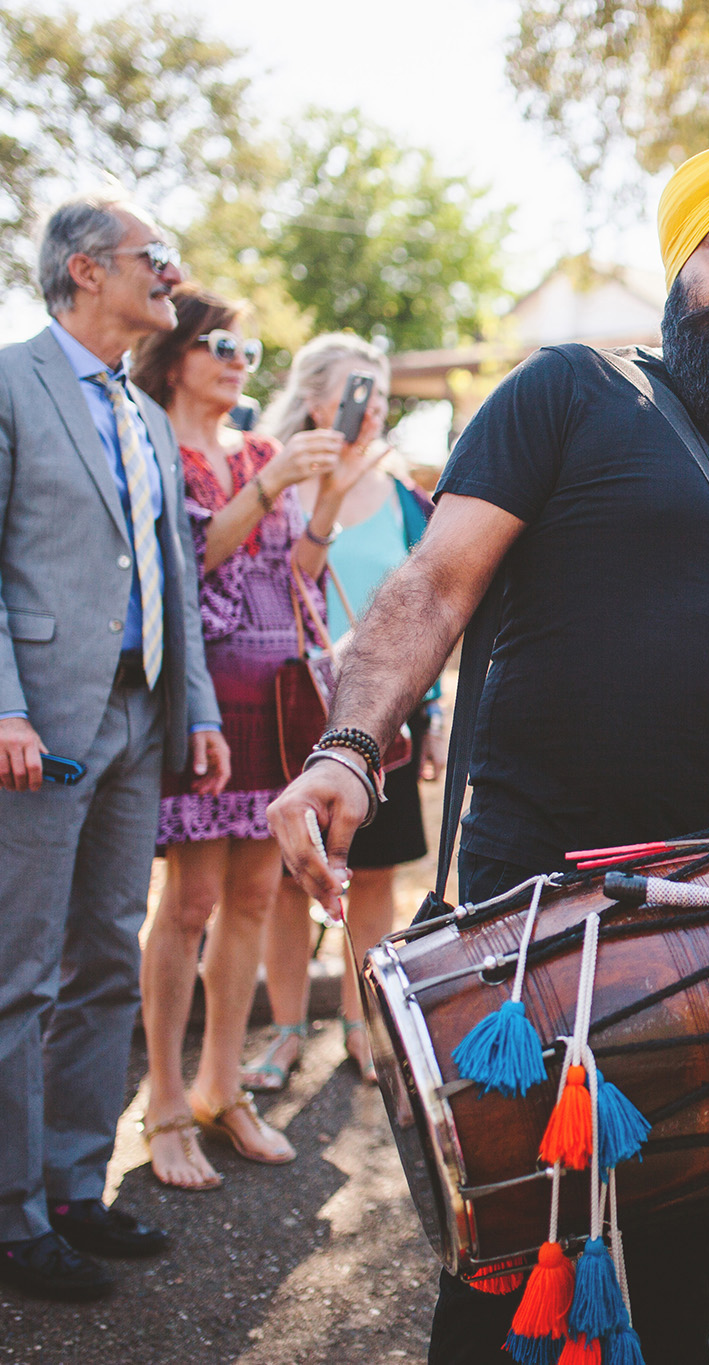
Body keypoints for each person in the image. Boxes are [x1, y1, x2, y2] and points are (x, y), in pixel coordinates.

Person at [267, 140, 709, 1365]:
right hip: (530, 909)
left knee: (678, 1272)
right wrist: (348, 748)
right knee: (503, 1262)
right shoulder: (569, 391)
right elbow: (432, 585)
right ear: (679, 271)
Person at [0, 194, 230, 1300]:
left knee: (105, 958)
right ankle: (6, 1222)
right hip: (30, 724)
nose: (173, 274)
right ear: (88, 269)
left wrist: (198, 712)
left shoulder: (142, 412)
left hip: (139, 719)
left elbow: (174, 578)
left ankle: (70, 1190)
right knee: (15, 972)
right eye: (157, 255)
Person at [129, 296, 384, 1190]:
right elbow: (187, 563)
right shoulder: (152, 445)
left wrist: (330, 491)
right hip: (204, 702)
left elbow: (297, 575)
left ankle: (221, 1086)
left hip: (275, 701)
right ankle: (164, 1100)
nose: (239, 356)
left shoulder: (256, 451)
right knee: (190, 902)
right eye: (218, 342)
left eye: (246, 345)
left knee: (248, 897)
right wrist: (273, 485)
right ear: (171, 354)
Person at [243, 337, 440, 1092]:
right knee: (286, 880)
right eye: (360, 390)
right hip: (293, 706)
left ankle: (364, 1025)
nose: (375, 406)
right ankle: (287, 1031)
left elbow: (430, 609)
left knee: (377, 873)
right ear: (317, 400)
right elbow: (284, 579)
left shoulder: (405, 497)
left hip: (385, 714)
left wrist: (433, 712)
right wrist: (325, 491)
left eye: (382, 392)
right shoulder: (278, 480)